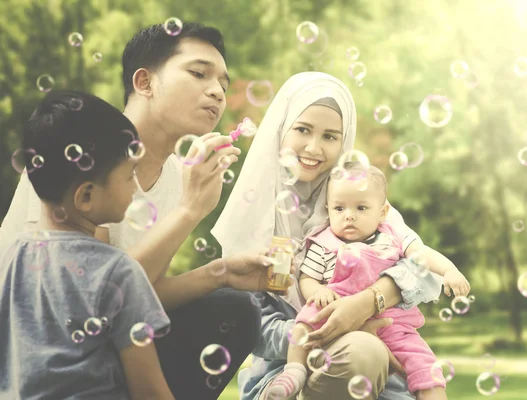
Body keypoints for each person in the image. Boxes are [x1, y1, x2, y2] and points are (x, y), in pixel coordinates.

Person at [0, 22, 288, 399]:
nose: (217, 91)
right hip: (34, 346)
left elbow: (138, 293)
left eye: (223, 82)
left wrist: (220, 272)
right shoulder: (80, 153)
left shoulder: (173, 174)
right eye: (199, 73)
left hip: (103, 334)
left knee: (235, 308)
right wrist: (189, 210)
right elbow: (90, 293)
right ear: (144, 82)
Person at [212, 72, 458, 400]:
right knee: (362, 351)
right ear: (281, 129)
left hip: (381, 372)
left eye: (330, 136)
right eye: (302, 130)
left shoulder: (353, 203)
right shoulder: (263, 219)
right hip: (286, 373)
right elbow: (252, 326)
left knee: (373, 355)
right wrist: (333, 329)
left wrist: (369, 300)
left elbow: (423, 270)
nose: (314, 148)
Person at [0, 90, 176, 399]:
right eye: (128, 174)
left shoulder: (10, 256)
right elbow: (151, 393)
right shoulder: (117, 272)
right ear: (86, 196)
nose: (135, 187)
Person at [268, 163, 470, 400]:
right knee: (304, 324)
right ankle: (294, 371)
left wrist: (450, 270)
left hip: (391, 321)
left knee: (423, 361)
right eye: (339, 208)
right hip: (334, 310)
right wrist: (318, 291)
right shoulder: (323, 243)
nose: (349, 215)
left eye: (361, 208)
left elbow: (422, 254)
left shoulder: (392, 237)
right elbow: (307, 277)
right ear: (328, 209)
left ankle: (433, 395)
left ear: (382, 212)